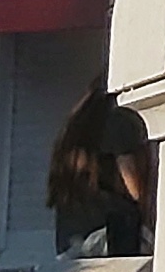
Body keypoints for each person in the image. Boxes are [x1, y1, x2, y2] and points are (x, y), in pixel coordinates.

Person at [45, 83, 156, 259]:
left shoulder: (78, 125)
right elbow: (134, 187)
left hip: (71, 242)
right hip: (110, 237)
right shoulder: (120, 121)